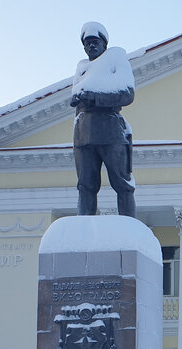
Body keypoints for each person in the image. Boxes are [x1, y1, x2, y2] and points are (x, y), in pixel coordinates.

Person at [71, 21, 136, 217]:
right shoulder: (81, 68)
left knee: (122, 183)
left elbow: (127, 94)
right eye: (87, 43)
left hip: (110, 131)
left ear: (104, 44)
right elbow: (74, 99)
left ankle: (129, 228)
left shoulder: (116, 60)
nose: (91, 46)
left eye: (95, 41)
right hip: (83, 134)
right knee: (85, 186)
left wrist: (94, 97)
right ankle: (83, 229)